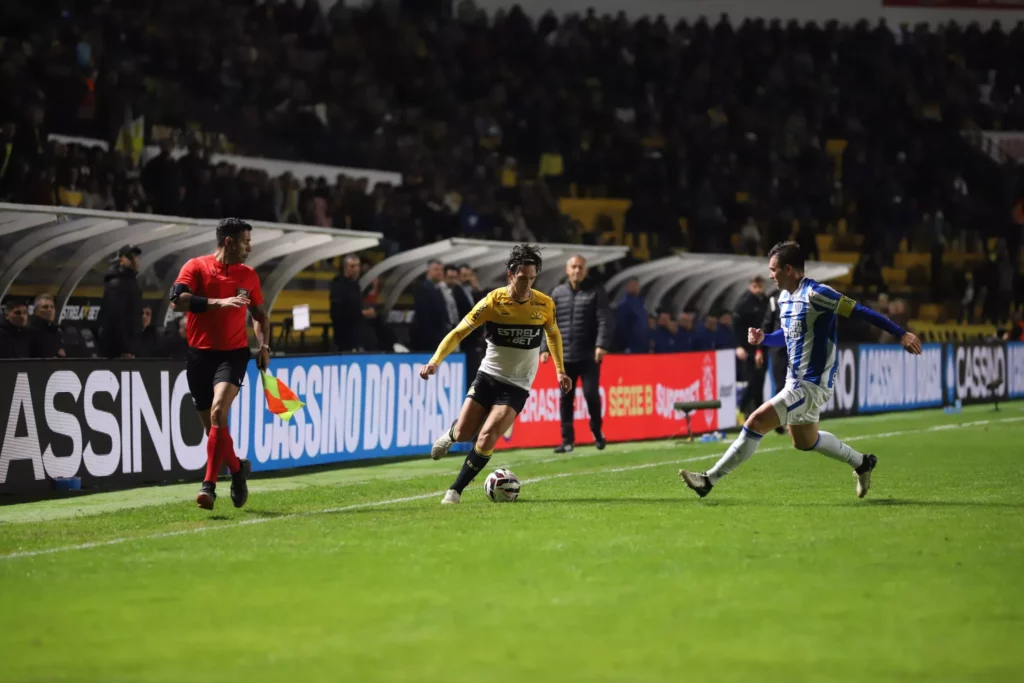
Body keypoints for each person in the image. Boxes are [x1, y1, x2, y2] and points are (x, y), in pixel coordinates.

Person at [680, 241, 922, 499]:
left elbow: (861, 311)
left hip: (811, 383)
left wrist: (900, 333)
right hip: (793, 381)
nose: (770, 275)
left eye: (774, 269)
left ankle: (709, 480)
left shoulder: (818, 294)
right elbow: (788, 335)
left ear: (789, 269)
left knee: (756, 421)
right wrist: (764, 338)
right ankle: (863, 463)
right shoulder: (784, 298)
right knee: (805, 441)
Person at [420, 244, 572, 504]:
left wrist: (561, 371)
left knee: (487, 435)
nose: (527, 285)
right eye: (523, 278)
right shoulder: (492, 301)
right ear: (511, 275)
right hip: (488, 376)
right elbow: (459, 332)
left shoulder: (544, 304)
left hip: (517, 385)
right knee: (466, 432)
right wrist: (436, 360)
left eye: (532, 279)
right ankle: (452, 435)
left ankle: (455, 490)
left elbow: (554, 335)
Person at [169, 218, 270, 511]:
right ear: (229, 242)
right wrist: (219, 302)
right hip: (199, 356)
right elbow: (177, 301)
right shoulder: (195, 267)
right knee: (215, 429)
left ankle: (208, 487)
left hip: (233, 355)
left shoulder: (249, 275)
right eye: (245, 242)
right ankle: (237, 470)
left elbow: (260, 315)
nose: (249, 248)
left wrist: (263, 345)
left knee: (217, 412)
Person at [541, 255, 613, 453]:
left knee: (591, 395)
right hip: (564, 358)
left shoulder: (596, 292)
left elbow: (604, 320)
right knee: (565, 399)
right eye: (573, 267)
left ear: (585, 270)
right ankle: (567, 441)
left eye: (580, 267)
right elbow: (549, 323)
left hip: (589, 355)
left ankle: (597, 431)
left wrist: (601, 345)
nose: (576, 271)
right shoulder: (557, 293)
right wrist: (545, 348)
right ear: (567, 270)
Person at [97, 245, 143, 359]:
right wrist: (125, 348)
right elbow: (116, 319)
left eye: (136, 257)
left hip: (130, 348)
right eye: (131, 257)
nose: (135, 260)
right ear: (122, 260)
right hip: (118, 351)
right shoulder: (117, 284)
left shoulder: (132, 282)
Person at [733, 276, 768, 417]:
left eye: (760, 286)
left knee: (760, 380)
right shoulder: (744, 303)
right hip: (748, 347)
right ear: (750, 286)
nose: (758, 289)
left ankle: (757, 413)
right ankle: (741, 408)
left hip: (762, 345)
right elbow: (736, 326)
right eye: (755, 287)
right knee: (754, 379)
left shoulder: (765, 301)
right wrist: (738, 346)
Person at [329, 254, 374, 352]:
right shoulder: (338, 285)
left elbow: (357, 305)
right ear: (345, 267)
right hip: (344, 335)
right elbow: (337, 313)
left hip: (358, 333)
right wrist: (362, 313)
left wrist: (364, 311)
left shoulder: (356, 285)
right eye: (352, 266)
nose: (356, 269)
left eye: (357, 266)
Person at [410, 259, 452, 352]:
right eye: (436, 269)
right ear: (428, 271)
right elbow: (423, 317)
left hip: (440, 338)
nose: (439, 272)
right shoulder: (423, 288)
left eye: (441, 270)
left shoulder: (438, 289)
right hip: (428, 341)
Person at [615, 277, 648, 353]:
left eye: (637, 285)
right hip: (631, 349)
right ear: (627, 287)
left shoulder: (640, 304)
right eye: (633, 285)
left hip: (642, 348)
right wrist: (626, 346)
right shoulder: (624, 305)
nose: (636, 287)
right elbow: (621, 327)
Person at [29, 294, 65, 358]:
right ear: (35, 311)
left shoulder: (56, 330)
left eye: (52, 307)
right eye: (45, 307)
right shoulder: (29, 330)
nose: (50, 309)